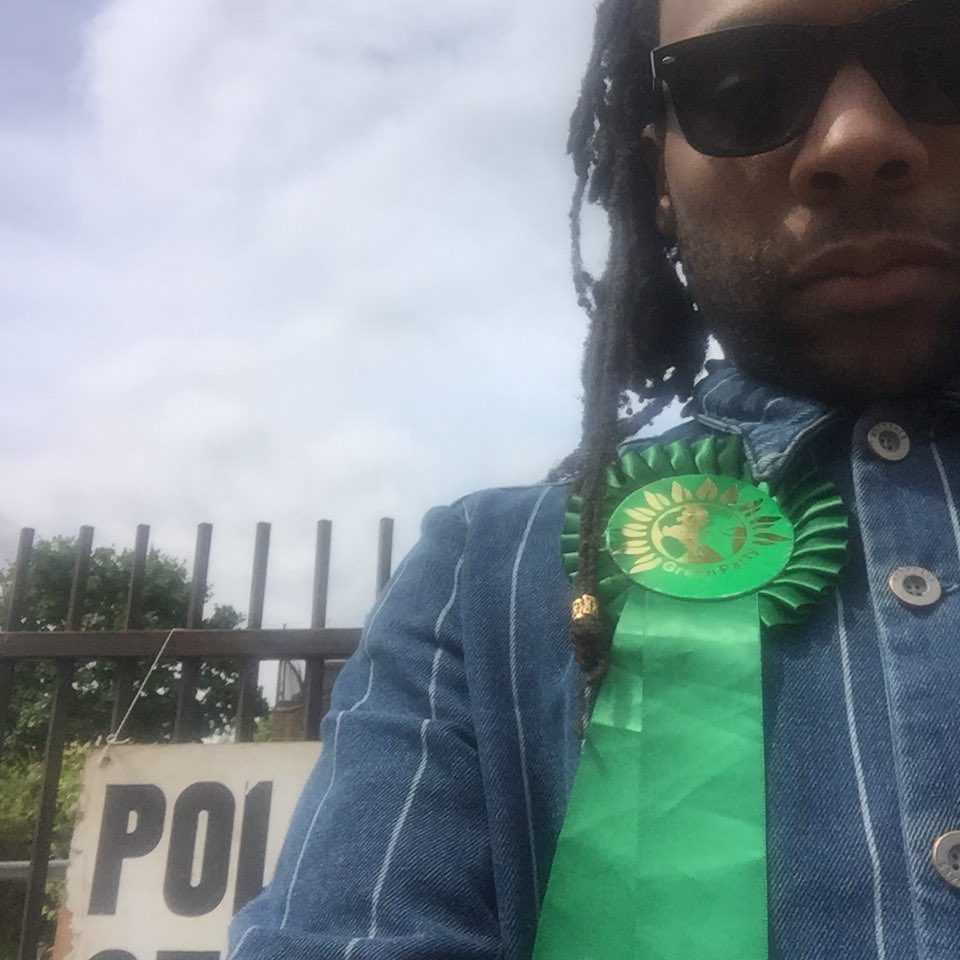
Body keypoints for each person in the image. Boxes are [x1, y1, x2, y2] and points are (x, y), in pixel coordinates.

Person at [230, 0, 960, 956]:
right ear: (658, 182)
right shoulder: (481, 583)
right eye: (744, 87)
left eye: (945, 56)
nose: (858, 137)